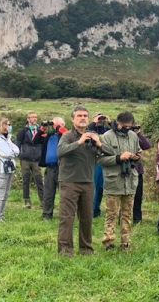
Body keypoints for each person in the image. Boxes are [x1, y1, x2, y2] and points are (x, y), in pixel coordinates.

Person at [57, 105, 114, 257]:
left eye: (85, 116)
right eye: (79, 116)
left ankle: (86, 249)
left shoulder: (93, 137)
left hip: (88, 182)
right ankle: (65, 251)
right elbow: (60, 151)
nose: (82, 118)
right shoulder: (68, 136)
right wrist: (79, 142)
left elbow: (112, 153)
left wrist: (99, 143)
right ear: (72, 119)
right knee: (67, 218)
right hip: (69, 181)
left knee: (87, 217)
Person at [98, 112, 142, 251]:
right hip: (114, 180)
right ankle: (108, 242)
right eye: (124, 126)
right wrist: (118, 158)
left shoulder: (133, 136)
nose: (127, 129)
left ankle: (125, 242)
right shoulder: (106, 137)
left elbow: (139, 153)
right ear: (118, 123)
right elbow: (100, 159)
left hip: (130, 180)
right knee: (111, 213)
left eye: (130, 127)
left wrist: (136, 157)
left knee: (127, 213)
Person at [35, 117, 67, 220]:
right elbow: (35, 140)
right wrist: (42, 129)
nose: (52, 126)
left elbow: (65, 133)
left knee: (64, 194)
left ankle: (65, 215)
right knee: (48, 193)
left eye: (55, 124)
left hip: (62, 168)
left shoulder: (65, 136)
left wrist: (57, 126)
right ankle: (46, 215)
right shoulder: (49, 136)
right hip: (49, 168)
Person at [0, 117, 19, 222]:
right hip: (1, 170)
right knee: (0, 193)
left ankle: (1, 215)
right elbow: (8, 153)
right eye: (7, 125)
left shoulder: (6, 138)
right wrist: (12, 151)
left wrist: (11, 148)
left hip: (9, 169)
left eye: (9, 124)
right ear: (1, 125)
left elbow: (17, 150)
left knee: (5, 193)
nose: (9, 127)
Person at [15, 112, 43, 209]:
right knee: (25, 180)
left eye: (36, 117)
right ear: (28, 119)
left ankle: (43, 201)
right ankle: (27, 200)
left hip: (37, 159)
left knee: (39, 180)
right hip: (25, 159)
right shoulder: (23, 131)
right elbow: (18, 144)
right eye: (33, 117)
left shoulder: (40, 130)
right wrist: (19, 155)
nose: (35, 119)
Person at [89, 112, 112, 218]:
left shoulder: (107, 131)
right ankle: (91, 209)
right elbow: (87, 132)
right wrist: (94, 122)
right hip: (92, 160)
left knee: (100, 187)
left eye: (101, 118)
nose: (100, 120)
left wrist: (110, 122)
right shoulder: (90, 129)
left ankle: (96, 210)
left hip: (105, 159)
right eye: (98, 118)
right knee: (93, 186)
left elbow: (117, 131)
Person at [132, 125, 152, 224]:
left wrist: (139, 133)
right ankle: (123, 217)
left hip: (138, 170)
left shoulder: (137, 137)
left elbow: (147, 145)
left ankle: (137, 218)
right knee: (125, 196)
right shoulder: (124, 137)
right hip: (126, 171)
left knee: (138, 196)